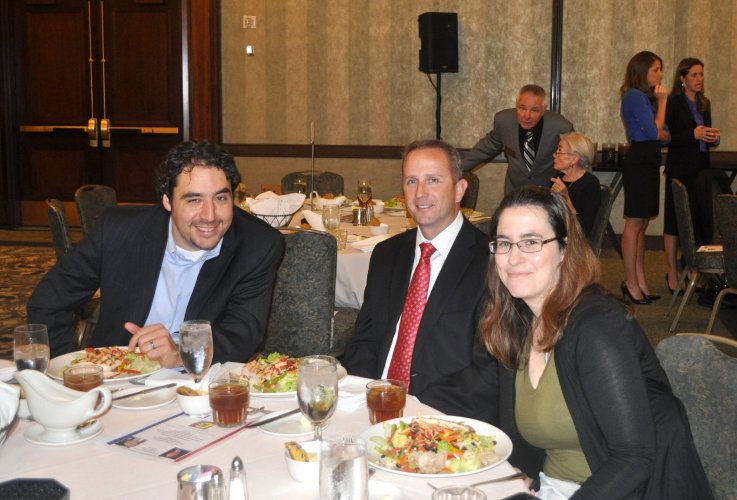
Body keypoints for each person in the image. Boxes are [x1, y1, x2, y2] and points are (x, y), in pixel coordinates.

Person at [481, 185, 712, 499]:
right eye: (504, 243)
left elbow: (634, 459)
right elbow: (516, 437)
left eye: (531, 242)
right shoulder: (516, 322)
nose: (513, 257)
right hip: (553, 487)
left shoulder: (596, 328)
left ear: (564, 249)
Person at [27, 141, 285, 367]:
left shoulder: (258, 245)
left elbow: (243, 335)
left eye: (220, 199)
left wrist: (181, 353)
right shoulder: (119, 231)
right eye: (194, 200)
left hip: (197, 381)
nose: (210, 215)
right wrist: (67, 369)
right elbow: (49, 302)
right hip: (116, 378)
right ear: (167, 201)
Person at [342, 139, 498, 423]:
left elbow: (487, 371)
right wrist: (360, 397)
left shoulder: (491, 262)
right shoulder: (387, 253)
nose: (420, 193)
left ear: (460, 189)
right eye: (411, 181)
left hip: (441, 418)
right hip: (371, 407)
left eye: (433, 180)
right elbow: (364, 341)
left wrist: (411, 411)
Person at [663, 57, 721, 294]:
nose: (699, 79)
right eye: (694, 75)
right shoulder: (673, 104)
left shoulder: (704, 103)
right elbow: (667, 139)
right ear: (682, 78)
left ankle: (692, 269)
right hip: (679, 170)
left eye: (701, 74)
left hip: (701, 170)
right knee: (674, 222)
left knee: (698, 222)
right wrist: (692, 135)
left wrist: (713, 138)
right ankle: (672, 272)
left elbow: (706, 137)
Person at [619, 51, 669, 305]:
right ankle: (630, 282)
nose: (661, 74)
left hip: (650, 160)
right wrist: (663, 104)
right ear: (642, 71)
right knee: (634, 223)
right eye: (656, 69)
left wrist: (658, 128)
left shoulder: (646, 98)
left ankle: (640, 279)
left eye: (661, 69)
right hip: (640, 160)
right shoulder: (634, 96)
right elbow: (653, 132)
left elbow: (666, 134)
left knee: (643, 223)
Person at [461, 84, 574, 194]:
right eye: (522, 108)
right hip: (514, 192)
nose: (527, 116)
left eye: (534, 110)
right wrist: (456, 171)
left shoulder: (561, 127)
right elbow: (484, 149)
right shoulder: (504, 121)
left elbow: (576, 160)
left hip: (547, 193)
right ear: (516, 105)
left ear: (543, 110)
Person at [550, 132, 601, 237]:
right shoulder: (558, 178)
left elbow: (583, 230)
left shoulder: (590, 184)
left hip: (574, 240)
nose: (554, 155)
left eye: (559, 151)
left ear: (574, 158)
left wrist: (565, 198)